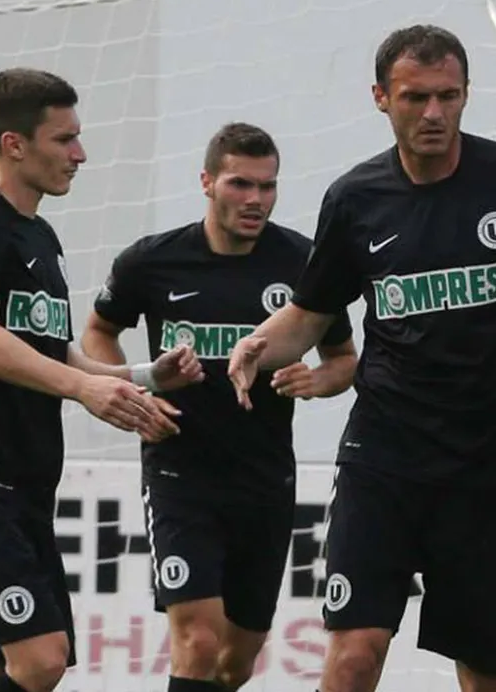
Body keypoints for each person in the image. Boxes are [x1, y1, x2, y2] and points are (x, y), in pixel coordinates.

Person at [226, 24, 496, 692]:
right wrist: (257, 344)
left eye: (447, 97)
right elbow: (309, 314)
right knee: (353, 656)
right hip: (386, 458)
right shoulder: (355, 199)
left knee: (490, 676)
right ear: (381, 98)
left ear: (465, 95)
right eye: (415, 97)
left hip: (490, 468)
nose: (433, 113)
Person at [0, 68, 203, 692]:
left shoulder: (40, 236)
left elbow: (52, 349)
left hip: (25, 480)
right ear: (14, 144)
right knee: (39, 660)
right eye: (65, 139)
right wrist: (83, 390)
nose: (80, 154)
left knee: (11, 667)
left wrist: (140, 376)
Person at [80, 122, 357, 692]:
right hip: (180, 473)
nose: (255, 200)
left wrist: (315, 379)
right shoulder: (152, 262)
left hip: (264, 479)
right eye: (240, 184)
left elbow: (344, 360)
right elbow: (98, 332)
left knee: (235, 663)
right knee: (197, 641)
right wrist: (135, 394)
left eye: (267, 186)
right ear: (206, 182)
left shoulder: (304, 263)